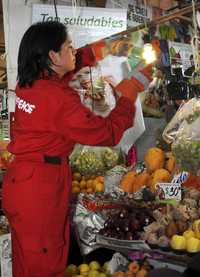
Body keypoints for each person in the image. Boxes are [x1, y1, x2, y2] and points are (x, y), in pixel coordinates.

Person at [2, 21, 143, 277]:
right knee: (45, 267)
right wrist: (128, 96)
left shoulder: (30, 83)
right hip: (40, 190)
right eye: (68, 46)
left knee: (27, 264)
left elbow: (63, 73)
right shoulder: (58, 99)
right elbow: (107, 132)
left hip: (22, 181)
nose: (74, 50)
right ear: (52, 55)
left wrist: (98, 50)